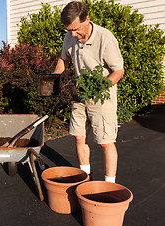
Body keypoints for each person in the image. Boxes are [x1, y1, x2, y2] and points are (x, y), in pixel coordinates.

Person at [53, 1, 124, 183]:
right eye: (69, 30)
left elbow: (118, 71)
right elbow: (63, 59)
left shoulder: (105, 39)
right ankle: (85, 179)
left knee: (105, 142)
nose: (72, 34)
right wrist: (53, 79)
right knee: (79, 137)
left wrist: (99, 89)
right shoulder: (70, 36)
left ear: (87, 19)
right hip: (79, 94)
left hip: (102, 96)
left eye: (76, 29)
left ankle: (109, 185)